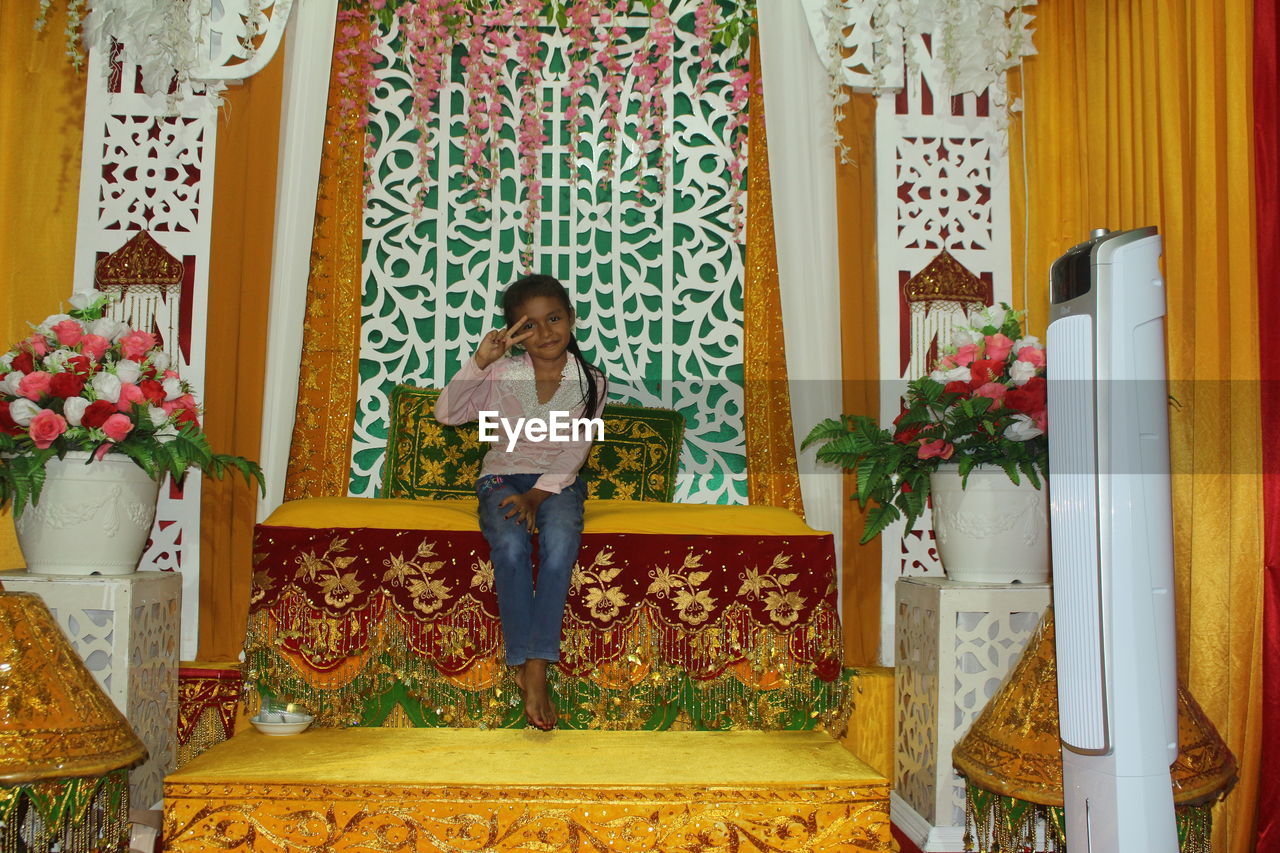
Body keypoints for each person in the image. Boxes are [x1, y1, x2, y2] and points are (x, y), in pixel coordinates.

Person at [435, 275, 606, 731]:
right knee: (510, 547)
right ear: (512, 334)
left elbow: (576, 451)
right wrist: (478, 361)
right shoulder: (498, 374)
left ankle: (536, 665)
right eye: (529, 326)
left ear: (571, 318)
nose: (547, 332)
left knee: (560, 537)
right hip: (501, 478)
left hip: (558, 484)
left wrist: (536, 495)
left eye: (554, 318)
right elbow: (447, 414)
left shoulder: (591, 381)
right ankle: (524, 658)